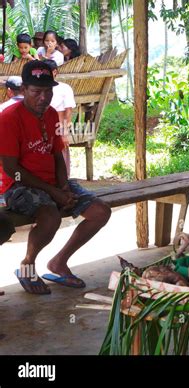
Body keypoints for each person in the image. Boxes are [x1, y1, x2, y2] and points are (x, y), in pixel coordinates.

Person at [0, 60, 111, 295]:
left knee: (101, 212)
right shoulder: (9, 118)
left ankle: (59, 262)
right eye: (36, 92)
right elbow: (11, 169)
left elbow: (57, 154)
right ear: (24, 90)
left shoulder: (51, 115)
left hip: (52, 184)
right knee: (50, 216)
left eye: (48, 91)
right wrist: (54, 192)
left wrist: (63, 185)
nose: (43, 97)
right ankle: (27, 265)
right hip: (18, 185)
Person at [43, 59, 76, 177]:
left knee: (61, 157)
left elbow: (68, 111)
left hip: (58, 127)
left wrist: (64, 133)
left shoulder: (64, 88)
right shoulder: (38, 89)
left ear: (55, 72)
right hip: (41, 128)